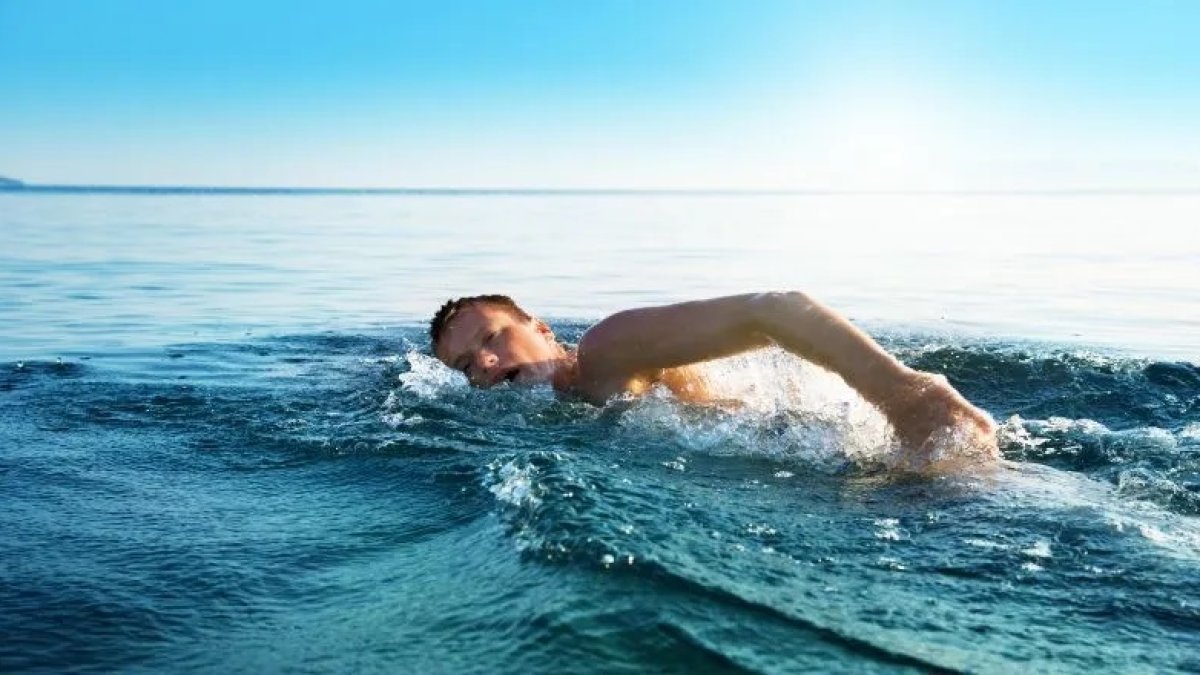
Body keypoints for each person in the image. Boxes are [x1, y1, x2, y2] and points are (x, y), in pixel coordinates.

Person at [430, 292, 998, 469]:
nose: (482, 362)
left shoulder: (608, 351)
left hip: (859, 448)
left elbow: (775, 310)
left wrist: (906, 395)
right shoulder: (553, 418)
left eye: (491, 338)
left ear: (543, 329)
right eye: (465, 366)